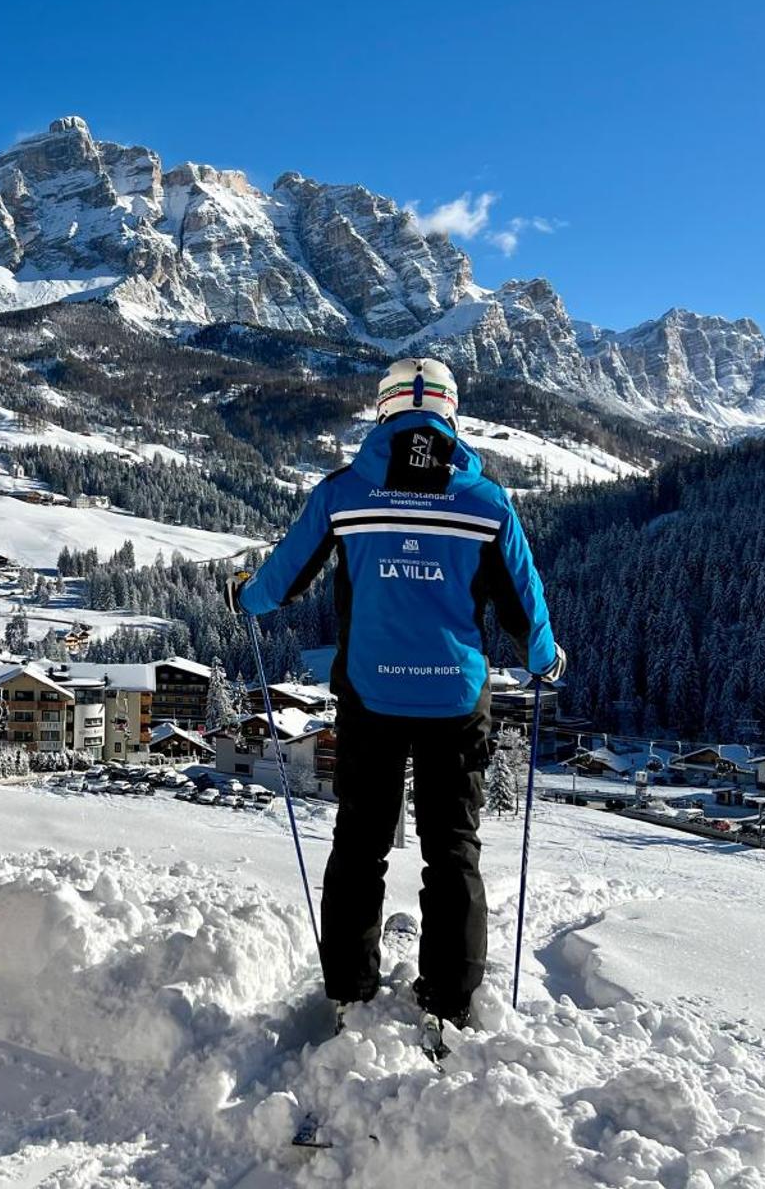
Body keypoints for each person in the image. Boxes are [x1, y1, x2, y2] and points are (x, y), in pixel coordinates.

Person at [236, 356, 565, 1032]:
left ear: (382, 411)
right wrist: (546, 662)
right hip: (455, 699)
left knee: (360, 843)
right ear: (451, 413)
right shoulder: (486, 502)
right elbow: (525, 607)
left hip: (371, 696)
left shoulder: (344, 493)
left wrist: (245, 595)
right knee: (453, 849)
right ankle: (449, 1002)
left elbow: (278, 583)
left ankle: (350, 992)